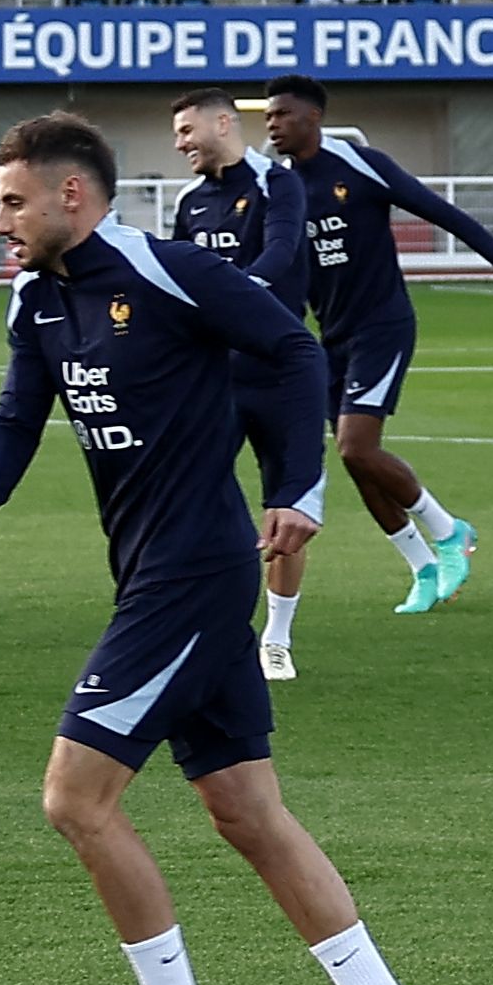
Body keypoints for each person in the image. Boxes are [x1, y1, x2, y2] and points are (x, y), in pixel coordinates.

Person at [0, 113, 446, 985]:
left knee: (74, 798)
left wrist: (299, 486)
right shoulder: (36, 299)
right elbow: (12, 417)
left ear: (72, 196)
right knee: (246, 812)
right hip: (148, 575)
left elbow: (294, 349)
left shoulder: (162, 271)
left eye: (12, 201)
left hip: (195, 574)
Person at [263, 76, 493, 615]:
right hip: (329, 338)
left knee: (355, 446)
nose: (271, 124)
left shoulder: (360, 164)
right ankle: (421, 566)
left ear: (312, 117)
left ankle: (449, 531)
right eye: (268, 116)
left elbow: (444, 214)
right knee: (357, 461)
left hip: (382, 325)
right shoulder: (280, 187)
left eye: (281, 114)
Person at [164, 89, 325, 677]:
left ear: (223, 123)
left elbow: (281, 250)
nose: (180, 143)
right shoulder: (189, 201)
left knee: (289, 512)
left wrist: (235, 298)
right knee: (185, 497)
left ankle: (275, 639)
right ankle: (197, 621)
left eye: (186, 130)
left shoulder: (277, 184)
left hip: (279, 373)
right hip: (215, 376)